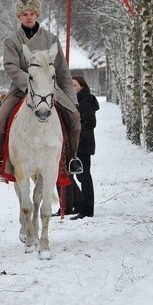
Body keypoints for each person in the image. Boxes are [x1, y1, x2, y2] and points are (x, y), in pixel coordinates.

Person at [0, 0, 83, 182]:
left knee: (74, 117)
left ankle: (73, 158)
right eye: (24, 14)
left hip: (50, 88)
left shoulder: (51, 39)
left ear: (37, 14)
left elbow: (62, 70)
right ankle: (0, 162)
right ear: (19, 17)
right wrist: (28, 81)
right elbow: (11, 66)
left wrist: (72, 98)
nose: (28, 17)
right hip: (21, 88)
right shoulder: (12, 40)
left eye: (32, 13)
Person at [70, 75, 99, 219]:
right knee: (79, 175)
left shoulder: (85, 101)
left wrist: (79, 135)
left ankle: (87, 210)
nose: (72, 87)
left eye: (75, 85)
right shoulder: (76, 101)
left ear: (82, 87)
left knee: (84, 176)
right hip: (76, 143)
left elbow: (90, 123)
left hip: (83, 144)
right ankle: (80, 205)